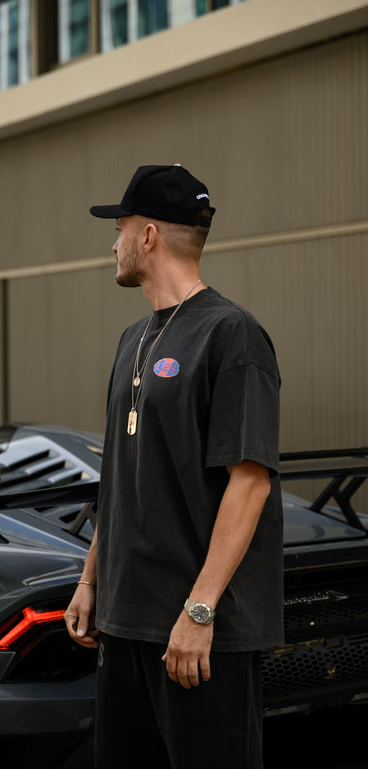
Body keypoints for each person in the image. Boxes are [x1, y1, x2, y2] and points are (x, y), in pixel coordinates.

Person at [64, 164, 283, 769]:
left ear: (150, 237)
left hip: (201, 633)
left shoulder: (232, 335)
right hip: (125, 624)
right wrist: (91, 580)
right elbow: (122, 474)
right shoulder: (132, 338)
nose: (113, 243)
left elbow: (251, 482)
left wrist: (199, 610)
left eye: (122, 228)